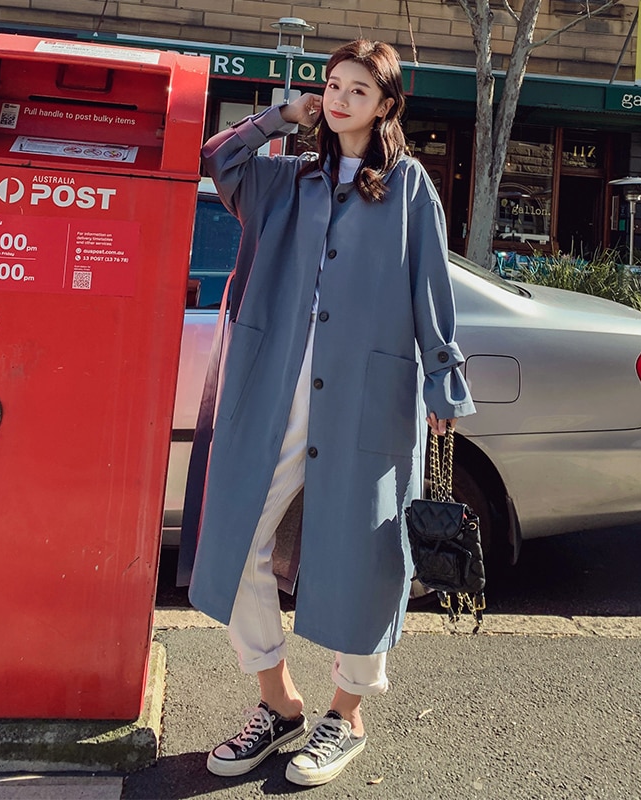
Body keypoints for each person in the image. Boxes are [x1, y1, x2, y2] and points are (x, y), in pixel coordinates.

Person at [187, 39, 476, 787]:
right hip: (275, 387)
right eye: (332, 84)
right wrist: (279, 117)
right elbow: (218, 158)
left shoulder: (409, 185)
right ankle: (277, 701)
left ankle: (345, 715)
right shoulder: (286, 179)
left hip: (369, 396)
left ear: (386, 106)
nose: (341, 97)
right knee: (237, 535)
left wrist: (445, 382)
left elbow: (430, 289)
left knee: (369, 556)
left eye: (359, 88)